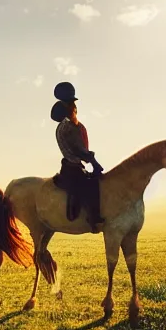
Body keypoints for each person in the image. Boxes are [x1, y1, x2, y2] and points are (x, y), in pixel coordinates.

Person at [50, 81, 105, 233]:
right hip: (73, 167)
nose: (75, 108)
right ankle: (93, 220)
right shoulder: (68, 127)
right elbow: (79, 149)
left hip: (73, 165)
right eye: (73, 104)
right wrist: (93, 160)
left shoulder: (67, 126)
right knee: (91, 187)